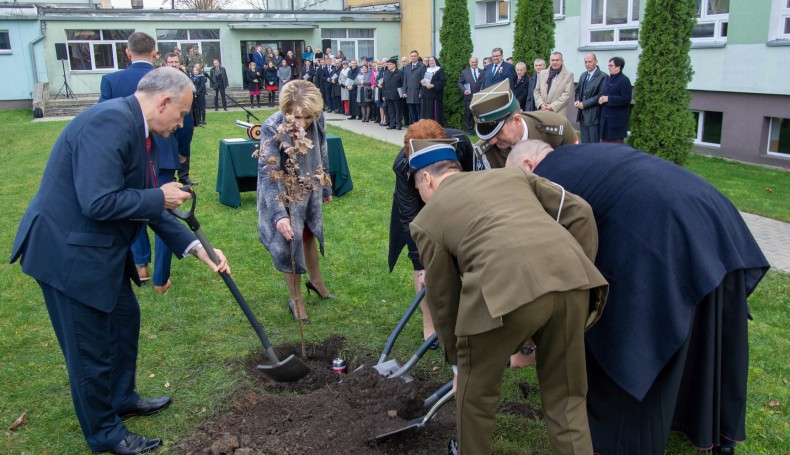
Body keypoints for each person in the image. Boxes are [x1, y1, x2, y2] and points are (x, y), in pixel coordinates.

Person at [9, 67, 230, 455]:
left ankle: (121, 397)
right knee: (89, 349)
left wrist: (198, 248)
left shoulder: (134, 126)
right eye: (180, 115)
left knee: (125, 320)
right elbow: (99, 201)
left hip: (98, 252)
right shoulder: (110, 122)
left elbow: (144, 199)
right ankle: (106, 433)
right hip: (69, 255)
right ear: (163, 102)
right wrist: (159, 197)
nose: (181, 125)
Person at [505, 140, 770, 455]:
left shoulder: (546, 181)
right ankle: (717, 437)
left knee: (624, 340)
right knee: (706, 331)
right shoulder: (588, 152)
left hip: (662, 231)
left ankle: (625, 440)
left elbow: (549, 271)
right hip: (713, 213)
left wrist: (526, 344)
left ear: (528, 167)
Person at [408, 138, 608, 455]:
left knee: (475, 399)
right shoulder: (512, 175)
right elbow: (580, 212)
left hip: (504, 293)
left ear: (427, 179)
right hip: (572, 282)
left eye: (418, 189)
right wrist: (573, 270)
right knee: (566, 398)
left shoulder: (427, 221)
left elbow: (444, 299)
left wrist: (459, 365)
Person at [257, 80, 334, 325]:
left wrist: (326, 184)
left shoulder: (318, 119)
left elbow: (322, 150)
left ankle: (316, 281)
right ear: (285, 109)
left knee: (309, 233)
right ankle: (296, 299)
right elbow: (268, 173)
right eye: (296, 117)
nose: (302, 123)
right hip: (283, 193)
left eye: (308, 118)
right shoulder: (272, 127)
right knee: (291, 242)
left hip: (309, 188)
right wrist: (279, 214)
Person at [388, 120, 473, 341]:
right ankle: (430, 325)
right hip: (418, 205)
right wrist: (421, 264)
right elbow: (409, 218)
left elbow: (472, 180)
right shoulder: (403, 166)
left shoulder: (461, 143)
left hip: (455, 196)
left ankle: (465, 318)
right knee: (422, 262)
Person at [98, 32, 161, 284]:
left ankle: (141, 263)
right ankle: (155, 273)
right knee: (151, 205)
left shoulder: (112, 81)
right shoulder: (163, 80)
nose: (177, 122)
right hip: (147, 160)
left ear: (128, 52)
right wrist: (181, 156)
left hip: (132, 161)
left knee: (142, 206)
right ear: (154, 52)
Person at [470, 79, 577, 169]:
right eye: (488, 134)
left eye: (499, 132)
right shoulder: (484, 152)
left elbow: (577, 167)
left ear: (517, 120)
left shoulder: (558, 128)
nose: (492, 141)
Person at [574, 53, 607, 143]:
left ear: (596, 62)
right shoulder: (583, 75)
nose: (587, 64)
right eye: (585, 62)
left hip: (594, 115)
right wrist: (577, 101)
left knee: (593, 142)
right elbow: (577, 91)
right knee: (585, 142)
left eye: (590, 62)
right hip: (582, 115)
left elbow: (600, 95)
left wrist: (584, 104)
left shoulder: (603, 76)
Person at [599, 56, 632, 143]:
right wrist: (601, 98)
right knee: (604, 147)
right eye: (608, 65)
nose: (609, 67)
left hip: (616, 123)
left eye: (611, 65)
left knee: (615, 148)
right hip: (606, 121)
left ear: (618, 67)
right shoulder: (609, 79)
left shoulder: (624, 80)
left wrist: (609, 99)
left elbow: (626, 99)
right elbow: (604, 92)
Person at [457, 56, 484, 134]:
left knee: (480, 114)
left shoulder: (482, 72)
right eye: (472, 62)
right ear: (469, 63)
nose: (474, 63)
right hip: (468, 96)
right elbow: (460, 82)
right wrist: (464, 90)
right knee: (468, 114)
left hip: (479, 97)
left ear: (477, 62)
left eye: (475, 62)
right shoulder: (464, 72)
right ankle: (470, 131)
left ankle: (480, 130)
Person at [419, 56, 445, 125]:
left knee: (434, 113)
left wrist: (433, 85)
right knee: (426, 113)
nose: (431, 62)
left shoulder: (440, 70)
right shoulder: (426, 70)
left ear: (435, 61)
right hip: (426, 96)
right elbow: (425, 81)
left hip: (435, 96)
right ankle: (426, 127)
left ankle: (435, 128)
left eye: (432, 60)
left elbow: (442, 82)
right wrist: (422, 81)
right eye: (429, 61)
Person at [402, 50, 424, 123]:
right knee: (412, 112)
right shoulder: (407, 67)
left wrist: (421, 91)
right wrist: (404, 91)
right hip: (409, 92)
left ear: (418, 56)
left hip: (418, 92)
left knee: (419, 112)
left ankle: (420, 128)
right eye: (412, 56)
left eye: (415, 56)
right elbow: (405, 80)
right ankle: (414, 127)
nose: (413, 57)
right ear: (410, 57)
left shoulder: (422, 66)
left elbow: (424, 81)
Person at [381, 57, 403, 130]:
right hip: (388, 95)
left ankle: (398, 124)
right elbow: (383, 85)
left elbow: (403, 84)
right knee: (391, 111)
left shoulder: (400, 72)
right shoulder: (386, 72)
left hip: (397, 95)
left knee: (398, 110)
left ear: (394, 65)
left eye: (390, 64)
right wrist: (383, 95)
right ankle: (392, 124)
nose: (388, 66)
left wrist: (403, 93)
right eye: (387, 64)